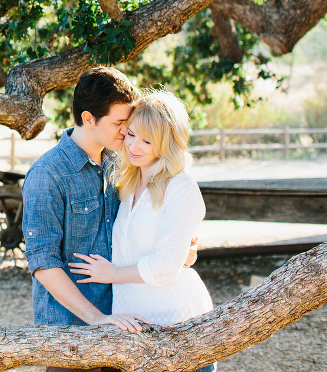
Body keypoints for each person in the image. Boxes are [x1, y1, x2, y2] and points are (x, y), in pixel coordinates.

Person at [68, 91, 215, 372]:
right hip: (135, 326)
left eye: (148, 140)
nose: (135, 146)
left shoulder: (181, 187)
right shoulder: (127, 185)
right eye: (132, 134)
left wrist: (112, 274)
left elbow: (165, 266)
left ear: (166, 143)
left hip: (180, 326)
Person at [21, 66, 144, 372]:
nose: (125, 132)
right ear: (88, 119)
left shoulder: (121, 164)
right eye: (118, 123)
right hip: (69, 336)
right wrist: (97, 318)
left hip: (122, 322)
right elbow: (42, 262)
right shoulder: (47, 174)